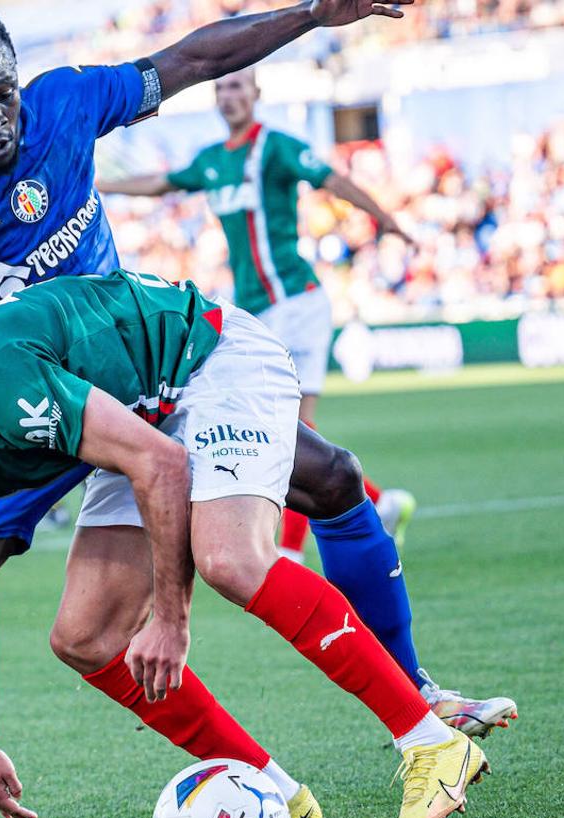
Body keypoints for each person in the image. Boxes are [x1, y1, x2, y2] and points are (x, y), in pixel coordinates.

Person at [0, 3, 514, 818]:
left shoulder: (64, 105)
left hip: (133, 373)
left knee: (330, 481)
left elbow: (198, 56)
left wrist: (316, 14)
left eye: (4, 95)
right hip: (4, 422)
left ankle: (416, 702)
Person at [0, 269, 493, 818]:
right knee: (86, 636)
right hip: (147, 418)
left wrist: (170, 617)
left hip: (210, 359)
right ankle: (276, 796)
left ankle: (429, 739)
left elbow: (161, 467)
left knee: (231, 560)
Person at [98, 66, 418, 564]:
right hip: (256, 313)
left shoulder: (276, 147)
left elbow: (333, 180)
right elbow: (160, 182)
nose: (229, 96)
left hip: (298, 301)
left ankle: (287, 552)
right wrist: (97, 185)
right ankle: (379, 503)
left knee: (288, 427)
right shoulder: (211, 162)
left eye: (237, 87)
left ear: (256, 94)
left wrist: (389, 222)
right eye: (222, 88)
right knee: (288, 430)